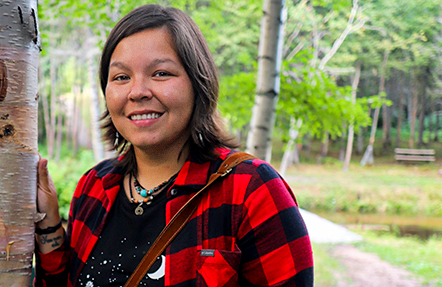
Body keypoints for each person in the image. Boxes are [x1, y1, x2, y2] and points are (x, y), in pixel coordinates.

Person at [34, 4, 313, 287]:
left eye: (161, 73)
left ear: (198, 83)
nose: (138, 92)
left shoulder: (251, 190)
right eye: (121, 77)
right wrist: (49, 224)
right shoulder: (94, 185)